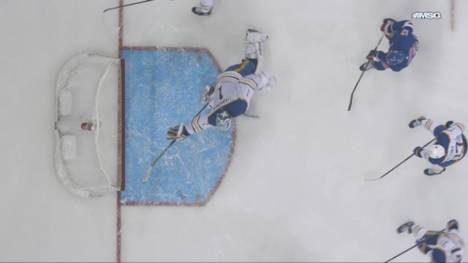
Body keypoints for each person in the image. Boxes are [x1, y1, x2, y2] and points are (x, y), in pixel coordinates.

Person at [167, 29, 274, 140]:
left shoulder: (240, 106)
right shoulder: (215, 118)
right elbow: (201, 124)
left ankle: (252, 38)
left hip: (233, 75)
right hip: (224, 83)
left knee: (253, 65)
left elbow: (249, 81)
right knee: (215, 103)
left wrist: (265, 79)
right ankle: (211, 96)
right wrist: (184, 131)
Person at [397, 220, 464, 263]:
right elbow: (426, 250)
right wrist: (419, 243)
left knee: (426, 236)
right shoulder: (439, 258)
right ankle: (412, 226)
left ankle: (453, 227)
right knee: (424, 236)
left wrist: (452, 226)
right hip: (447, 241)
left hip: (457, 243)